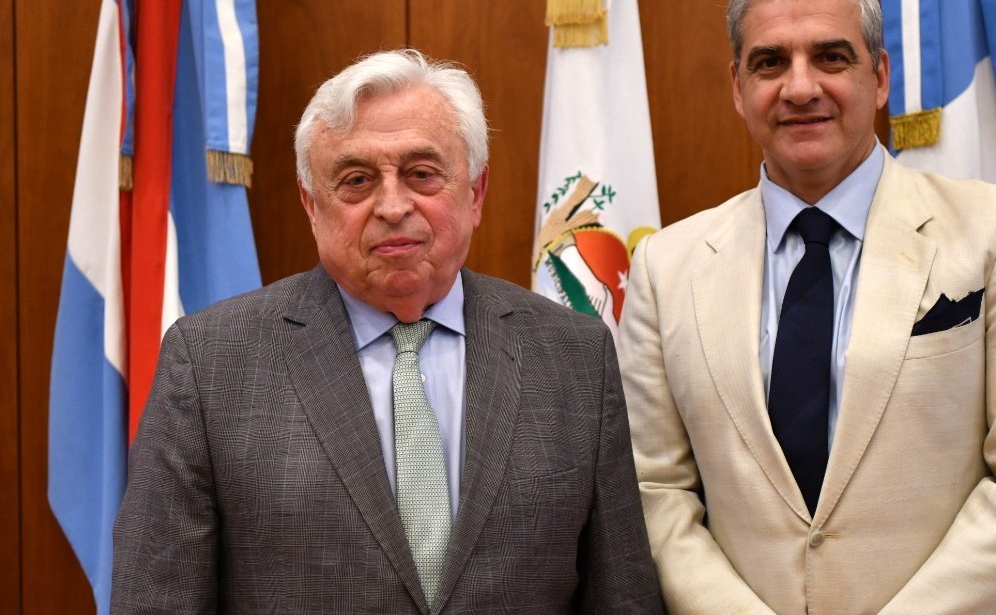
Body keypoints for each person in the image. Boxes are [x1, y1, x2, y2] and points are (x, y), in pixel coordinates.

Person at [617, 0, 996, 614]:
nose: (800, 87)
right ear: (738, 87)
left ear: (880, 77)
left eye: (831, 58)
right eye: (770, 63)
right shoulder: (666, 267)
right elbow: (653, 492)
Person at [112, 49, 663, 614]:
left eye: (422, 174)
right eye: (357, 180)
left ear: (475, 193)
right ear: (312, 205)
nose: (394, 206)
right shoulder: (211, 362)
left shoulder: (574, 355)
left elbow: (623, 598)